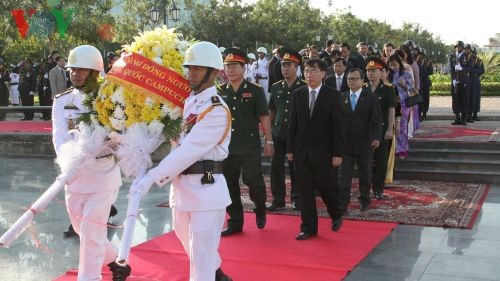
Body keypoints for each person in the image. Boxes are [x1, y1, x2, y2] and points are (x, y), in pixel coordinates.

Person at [130, 41, 233, 281]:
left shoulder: (216, 110)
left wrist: (152, 177)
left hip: (206, 191)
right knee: (196, 250)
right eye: (190, 67)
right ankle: (219, 277)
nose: (191, 73)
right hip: (182, 190)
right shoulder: (189, 103)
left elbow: (188, 151)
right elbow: (170, 135)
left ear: (214, 73)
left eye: (198, 68)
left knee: (201, 259)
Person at [52, 45, 123, 281]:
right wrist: (68, 161)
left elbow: (119, 135)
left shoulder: (111, 99)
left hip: (103, 175)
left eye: (81, 70)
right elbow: (60, 136)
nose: (75, 74)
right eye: (73, 70)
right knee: (84, 230)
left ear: (95, 72)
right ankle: (116, 260)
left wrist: (98, 147)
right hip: (75, 176)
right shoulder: (63, 101)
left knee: (92, 230)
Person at [218, 48, 274, 236]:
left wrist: (269, 140)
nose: (230, 70)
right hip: (227, 147)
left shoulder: (254, 91)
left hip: (249, 145)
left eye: (235, 66)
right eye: (227, 66)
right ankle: (235, 221)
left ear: (244, 68)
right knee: (228, 184)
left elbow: (264, 117)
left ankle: (260, 207)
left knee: (253, 180)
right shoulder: (220, 91)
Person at [287, 58, 344, 240]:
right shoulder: (298, 94)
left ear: (323, 74)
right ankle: (308, 228)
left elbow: (338, 126)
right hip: (302, 151)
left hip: (324, 152)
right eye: (306, 71)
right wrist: (290, 149)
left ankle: (336, 213)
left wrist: (337, 152)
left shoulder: (333, 95)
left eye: (313, 71)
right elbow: (293, 124)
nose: (308, 74)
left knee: (327, 186)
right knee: (304, 191)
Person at [267, 48, 306, 212]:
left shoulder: (304, 87)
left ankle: (297, 198)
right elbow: (272, 111)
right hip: (278, 133)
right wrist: (268, 134)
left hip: (296, 136)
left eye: (288, 65)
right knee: (275, 168)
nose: (284, 68)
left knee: (295, 169)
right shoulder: (276, 87)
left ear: (296, 67)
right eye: (283, 65)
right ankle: (278, 199)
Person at [338, 68, 381, 212]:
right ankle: (343, 203)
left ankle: (364, 200)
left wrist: (376, 137)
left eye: (355, 78)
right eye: (349, 79)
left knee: (365, 174)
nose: (352, 81)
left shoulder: (371, 98)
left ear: (362, 81)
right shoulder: (341, 97)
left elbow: (376, 120)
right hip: (345, 143)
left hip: (365, 142)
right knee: (344, 176)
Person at [364, 58, 397, 199]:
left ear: (381, 72)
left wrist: (390, 129)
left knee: (381, 160)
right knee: (365, 161)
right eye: (368, 71)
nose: (370, 74)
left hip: (382, 130)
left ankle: (378, 189)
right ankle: (365, 188)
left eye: (374, 71)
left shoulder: (388, 89)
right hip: (365, 130)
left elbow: (391, 111)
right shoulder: (363, 88)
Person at [388, 54, 414, 159]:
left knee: (402, 127)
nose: (393, 67)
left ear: (399, 63)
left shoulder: (406, 74)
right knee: (392, 125)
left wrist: (404, 85)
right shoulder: (388, 74)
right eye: (391, 65)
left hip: (403, 104)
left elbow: (411, 89)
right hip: (391, 104)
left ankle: (402, 149)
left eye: (395, 64)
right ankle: (393, 149)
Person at [449, 41, 473, 125]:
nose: (458, 48)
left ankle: (463, 118)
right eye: (456, 47)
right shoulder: (452, 56)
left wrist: (462, 68)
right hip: (456, 81)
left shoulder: (467, 56)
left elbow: (470, 68)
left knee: (464, 99)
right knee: (455, 100)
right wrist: (453, 79)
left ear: (462, 47)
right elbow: (451, 69)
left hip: (464, 81)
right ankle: (457, 118)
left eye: (459, 46)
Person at [470, 47, 485, 121]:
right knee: (470, 99)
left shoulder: (480, 61)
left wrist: (477, 74)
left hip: (476, 81)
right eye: (471, 52)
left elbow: (482, 70)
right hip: (470, 81)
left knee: (477, 98)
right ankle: (469, 115)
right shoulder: (468, 60)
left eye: (473, 52)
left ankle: (475, 115)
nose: (472, 54)